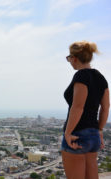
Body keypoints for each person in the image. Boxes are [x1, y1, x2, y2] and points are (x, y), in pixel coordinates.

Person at [61, 41, 110, 179]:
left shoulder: (81, 76)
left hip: (77, 135)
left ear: (74, 58)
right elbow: (106, 108)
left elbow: (78, 107)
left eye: (69, 58)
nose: (69, 61)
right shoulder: (101, 78)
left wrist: (68, 133)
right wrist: (99, 130)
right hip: (93, 135)